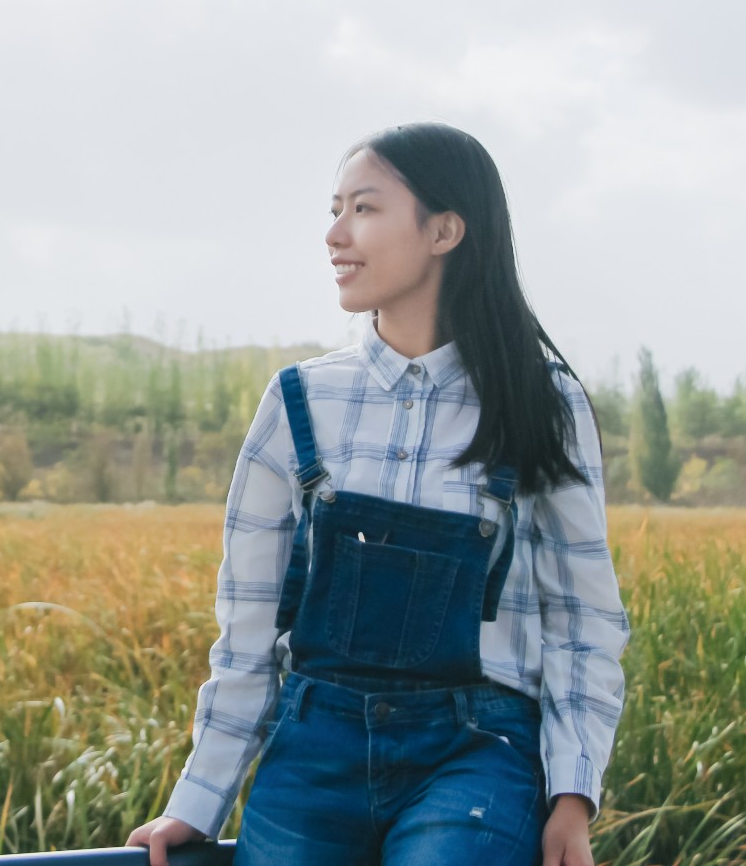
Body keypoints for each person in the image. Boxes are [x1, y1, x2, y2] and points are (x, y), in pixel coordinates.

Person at [126, 123, 631, 866]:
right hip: (313, 750)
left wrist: (572, 798)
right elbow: (247, 631)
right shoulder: (298, 400)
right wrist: (196, 802)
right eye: (334, 209)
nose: (335, 234)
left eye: (363, 208)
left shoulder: (539, 400)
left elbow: (584, 620)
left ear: (445, 230)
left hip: (478, 753)